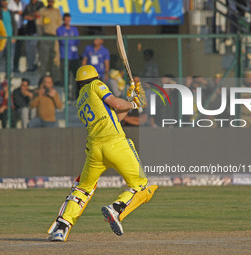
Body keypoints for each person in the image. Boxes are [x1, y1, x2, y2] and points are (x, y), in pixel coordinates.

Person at [47, 65, 157, 242]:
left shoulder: (80, 101)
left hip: (95, 149)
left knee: (83, 188)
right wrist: (136, 103)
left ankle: (60, 228)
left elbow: (114, 117)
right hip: (115, 142)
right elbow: (114, 103)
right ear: (95, 78)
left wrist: (129, 101)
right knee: (141, 185)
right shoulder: (95, 85)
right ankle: (117, 208)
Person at [36, 0, 62, 82]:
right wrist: (41, 36)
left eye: (52, 1)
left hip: (55, 37)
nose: (51, 2)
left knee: (55, 60)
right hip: (45, 36)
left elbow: (60, 24)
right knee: (44, 58)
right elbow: (39, 24)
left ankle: (56, 79)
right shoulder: (42, 11)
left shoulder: (57, 11)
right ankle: (42, 78)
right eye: (50, 1)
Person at [56, 13, 79, 97]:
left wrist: (68, 40)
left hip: (74, 56)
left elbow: (77, 41)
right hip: (65, 56)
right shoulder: (60, 29)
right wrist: (70, 40)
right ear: (63, 19)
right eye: (66, 19)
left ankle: (76, 95)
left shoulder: (74, 29)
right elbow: (62, 41)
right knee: (66, 77)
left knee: (76, 77)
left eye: (69, 19)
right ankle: (67, 96)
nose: (67, 21)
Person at [0, 0, 18, 73]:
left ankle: (8, 75)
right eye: (3, 1)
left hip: (10, 39)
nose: (4, 3)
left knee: (10, 58)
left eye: (6, 1)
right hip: (1, 39)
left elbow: (14, 25)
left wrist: (14, 36)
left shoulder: (10, 13)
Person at [22, 0, 43, 72]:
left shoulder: (40, 4)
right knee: (29, 50)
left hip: (37, 30)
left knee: (36, 50)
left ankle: (36, 66)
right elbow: (24, 16)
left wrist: (31, 16)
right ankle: (30, 67)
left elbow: (39, 15)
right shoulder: (28, 6)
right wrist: (32, 16)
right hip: (29, 31)